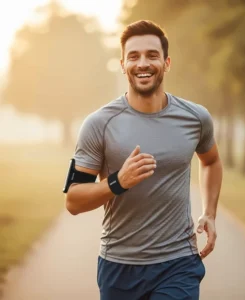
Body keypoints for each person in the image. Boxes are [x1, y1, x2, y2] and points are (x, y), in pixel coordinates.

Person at [64, 20, 223, 300]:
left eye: (152, 55)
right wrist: (117, 182)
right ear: (123, 64)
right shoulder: (99, 124)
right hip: (119, 265)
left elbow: (210, 161)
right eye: (134, 56)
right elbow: (74, 201)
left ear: (167, 62)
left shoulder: (195, 118)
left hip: (179, 263)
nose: (143, 63)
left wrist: (209, 212)